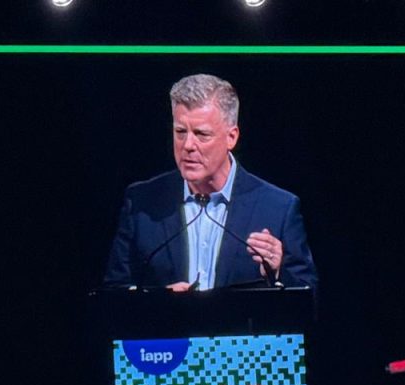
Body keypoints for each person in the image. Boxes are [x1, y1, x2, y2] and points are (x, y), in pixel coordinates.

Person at [104, 73, 318, 292]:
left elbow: (308, 297)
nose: (188, 145)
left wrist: (279, 272)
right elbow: (113, 293)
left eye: (201, 134)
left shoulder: (277, 208)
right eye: (180, 132)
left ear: (231, 137)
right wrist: (159, 301)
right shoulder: (142, 202)